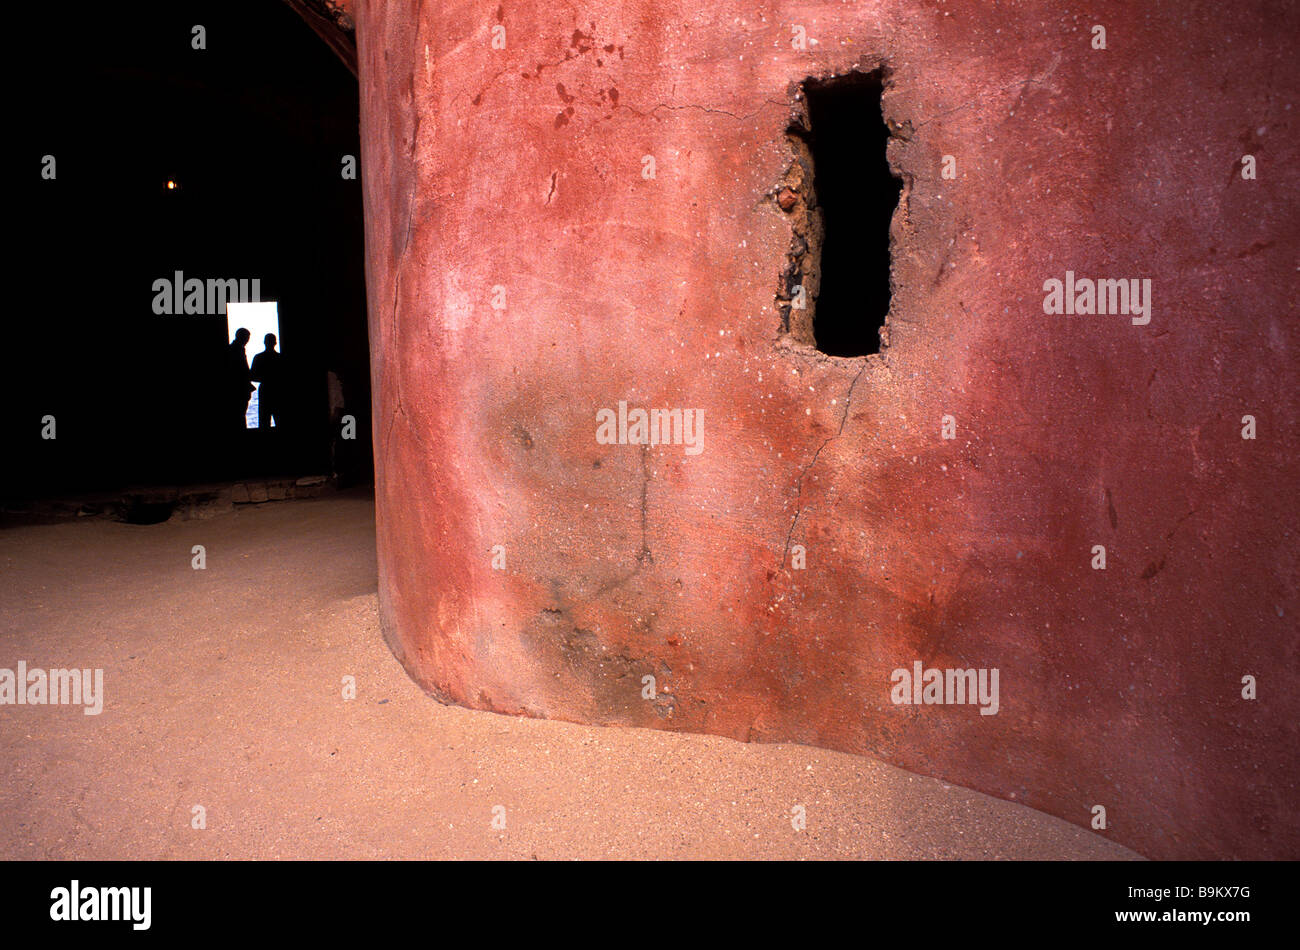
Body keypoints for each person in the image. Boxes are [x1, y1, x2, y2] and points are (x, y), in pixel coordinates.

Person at [249, 333, 283, 429]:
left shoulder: (258, 357)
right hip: (278, 390)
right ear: (275, 343)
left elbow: (252, 376)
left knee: (264, 421)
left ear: (264, 342)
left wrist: (264, 378)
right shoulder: (280, 358)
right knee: (280, 420)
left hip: (265, 390)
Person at [226, 328, 254, 431]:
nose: (248, 340)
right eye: (247, 338)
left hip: (238, 390)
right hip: (240, 390)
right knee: (240, 416)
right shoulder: (237, 350)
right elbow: (241, 371)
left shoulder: (234, 349)